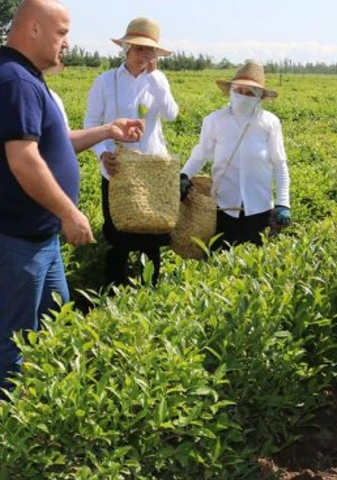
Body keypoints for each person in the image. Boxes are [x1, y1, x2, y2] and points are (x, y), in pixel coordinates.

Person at [0, 0, 145, 404]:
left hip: (36, 234)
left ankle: (38, 401)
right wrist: (69, 212)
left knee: (54, 315)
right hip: (14, 233)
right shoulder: (15, 81)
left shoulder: (26, 77)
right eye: (62, 32)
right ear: (34, 29)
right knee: (15, 329)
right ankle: (4, 418)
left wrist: (107, 131)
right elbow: (24, 160)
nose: (66, 42)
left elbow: (54, 143)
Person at [83, 17, 179, 286]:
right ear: (126, 49)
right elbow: (91, 124)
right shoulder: (105, 82)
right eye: (138, 48)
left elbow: (171, 115)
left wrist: (155, 77)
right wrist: (102, 154)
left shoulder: (158, 80)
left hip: (152, 170)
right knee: (118, 234)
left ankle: (150, 289)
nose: (143, 54)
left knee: (153, 234)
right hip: (117, 168)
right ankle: (114, 289)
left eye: (150, 50)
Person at [180, 60, 290, 248]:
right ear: (230, 91)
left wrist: (283, 202)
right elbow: (200, 155)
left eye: (250, 93)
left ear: (259, 97)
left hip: (260, 209)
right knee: (220, 257)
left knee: (257, 259)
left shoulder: (269, 122)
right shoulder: (214, 120)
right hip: (223, 207)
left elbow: (280, 164)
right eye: (239, 90)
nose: (243, 96)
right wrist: (183, 176)